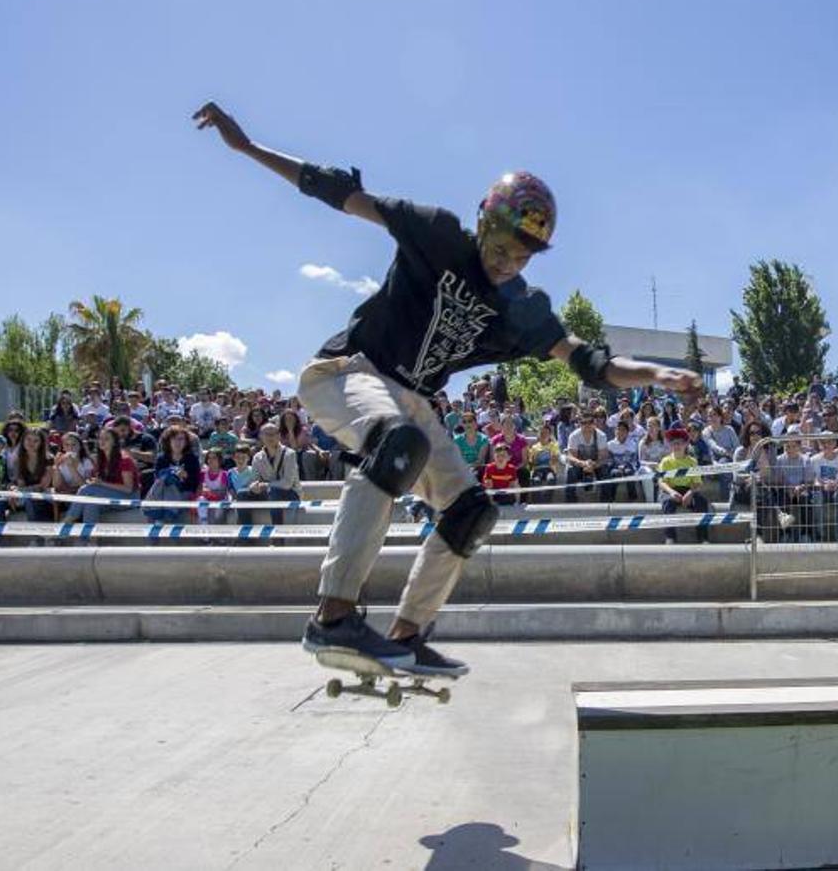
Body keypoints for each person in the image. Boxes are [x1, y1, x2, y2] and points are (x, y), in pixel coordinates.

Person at [194, 100, 699, 674]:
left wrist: (657, 375)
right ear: (482, 223)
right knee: (397, 443)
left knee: (470, 511)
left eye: (523, 255)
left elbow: (588, 361)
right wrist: (247, 147)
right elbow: (338, 193)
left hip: (413, 401)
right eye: (502, 247)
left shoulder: (521, 310)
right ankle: (332, 619)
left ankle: (406, 634)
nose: (509, 263)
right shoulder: (434, 232)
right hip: (347, 372)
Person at [58, 427, 138, 528]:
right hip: (110, 495)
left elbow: (128, 489)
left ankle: (68, 521)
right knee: (90, 503)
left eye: (106, 439)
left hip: (129, 498)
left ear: (114, 442)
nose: (102, 441)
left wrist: (101, 483)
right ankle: (90, 541)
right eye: (100, 438)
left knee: (87, 489)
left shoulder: (124, 460)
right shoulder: (101, 459)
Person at [658, 428, 709, 544]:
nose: (677, 446)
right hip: (670, 490)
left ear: (686, 444)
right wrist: (671, 492)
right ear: (670, 445)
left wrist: (690, 493)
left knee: (702, 503)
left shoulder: (692, 461)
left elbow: (697, 482)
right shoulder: (665, 461)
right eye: (674, 443)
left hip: (688, 489)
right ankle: (670, 537)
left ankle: (703, 538)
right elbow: (662, 482)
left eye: (680, 443)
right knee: (668, 504)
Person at [143, 427, 201, 523]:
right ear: (168, 441)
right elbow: (157, 479)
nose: (178, 442)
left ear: (186, 442)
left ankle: (157, 515)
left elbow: (194, 484)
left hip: (184, 491)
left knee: (171, 483)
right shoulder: (161, 458)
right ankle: (166, 513)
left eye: (181, 439)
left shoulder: (192, 459)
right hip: (163, 491)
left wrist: (186, 476)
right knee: (165, 480)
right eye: (174, 439)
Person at [250, 422, 301, 525]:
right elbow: (255, 479)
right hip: (268, 492)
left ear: (279, 436)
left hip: (290, 493)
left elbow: (287, 484)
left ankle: (277, 537)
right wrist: (253, 486)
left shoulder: (289, 454)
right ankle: (245, 537)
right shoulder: (257, 457)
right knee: (242, 494)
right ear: (261, 436)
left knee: (274, 492)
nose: (270, 437)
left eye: (273, 434)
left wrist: (267, 485)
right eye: (267, 434)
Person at [564, 413, 610, 503]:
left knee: (605, 472)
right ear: (579, 424)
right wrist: (583, 464)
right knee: (571, 472)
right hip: (579, 464)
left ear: (594, 423)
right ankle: (570, 503)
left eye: (590, 422)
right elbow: (571, 456)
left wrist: (593, 465)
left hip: (596, 464)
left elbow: (603, 457)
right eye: (584, 422)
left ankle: (606, 503)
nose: (587, 425)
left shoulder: (601, 436)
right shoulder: (574, 436)